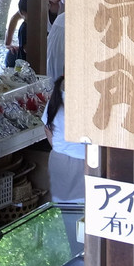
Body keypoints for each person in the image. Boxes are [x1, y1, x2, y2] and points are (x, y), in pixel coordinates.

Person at [45, 74, 86, 205]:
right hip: (83, 160)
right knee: (84, 208)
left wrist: (59, 147)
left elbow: (47, 128)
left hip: (59, 159)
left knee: (63, 205)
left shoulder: (55, 99)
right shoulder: (85, 102)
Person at [4, 0, 29, 68]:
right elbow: (26, 49)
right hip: (22, 62)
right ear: (22, 13)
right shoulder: (24, 28)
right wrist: (8, 44)